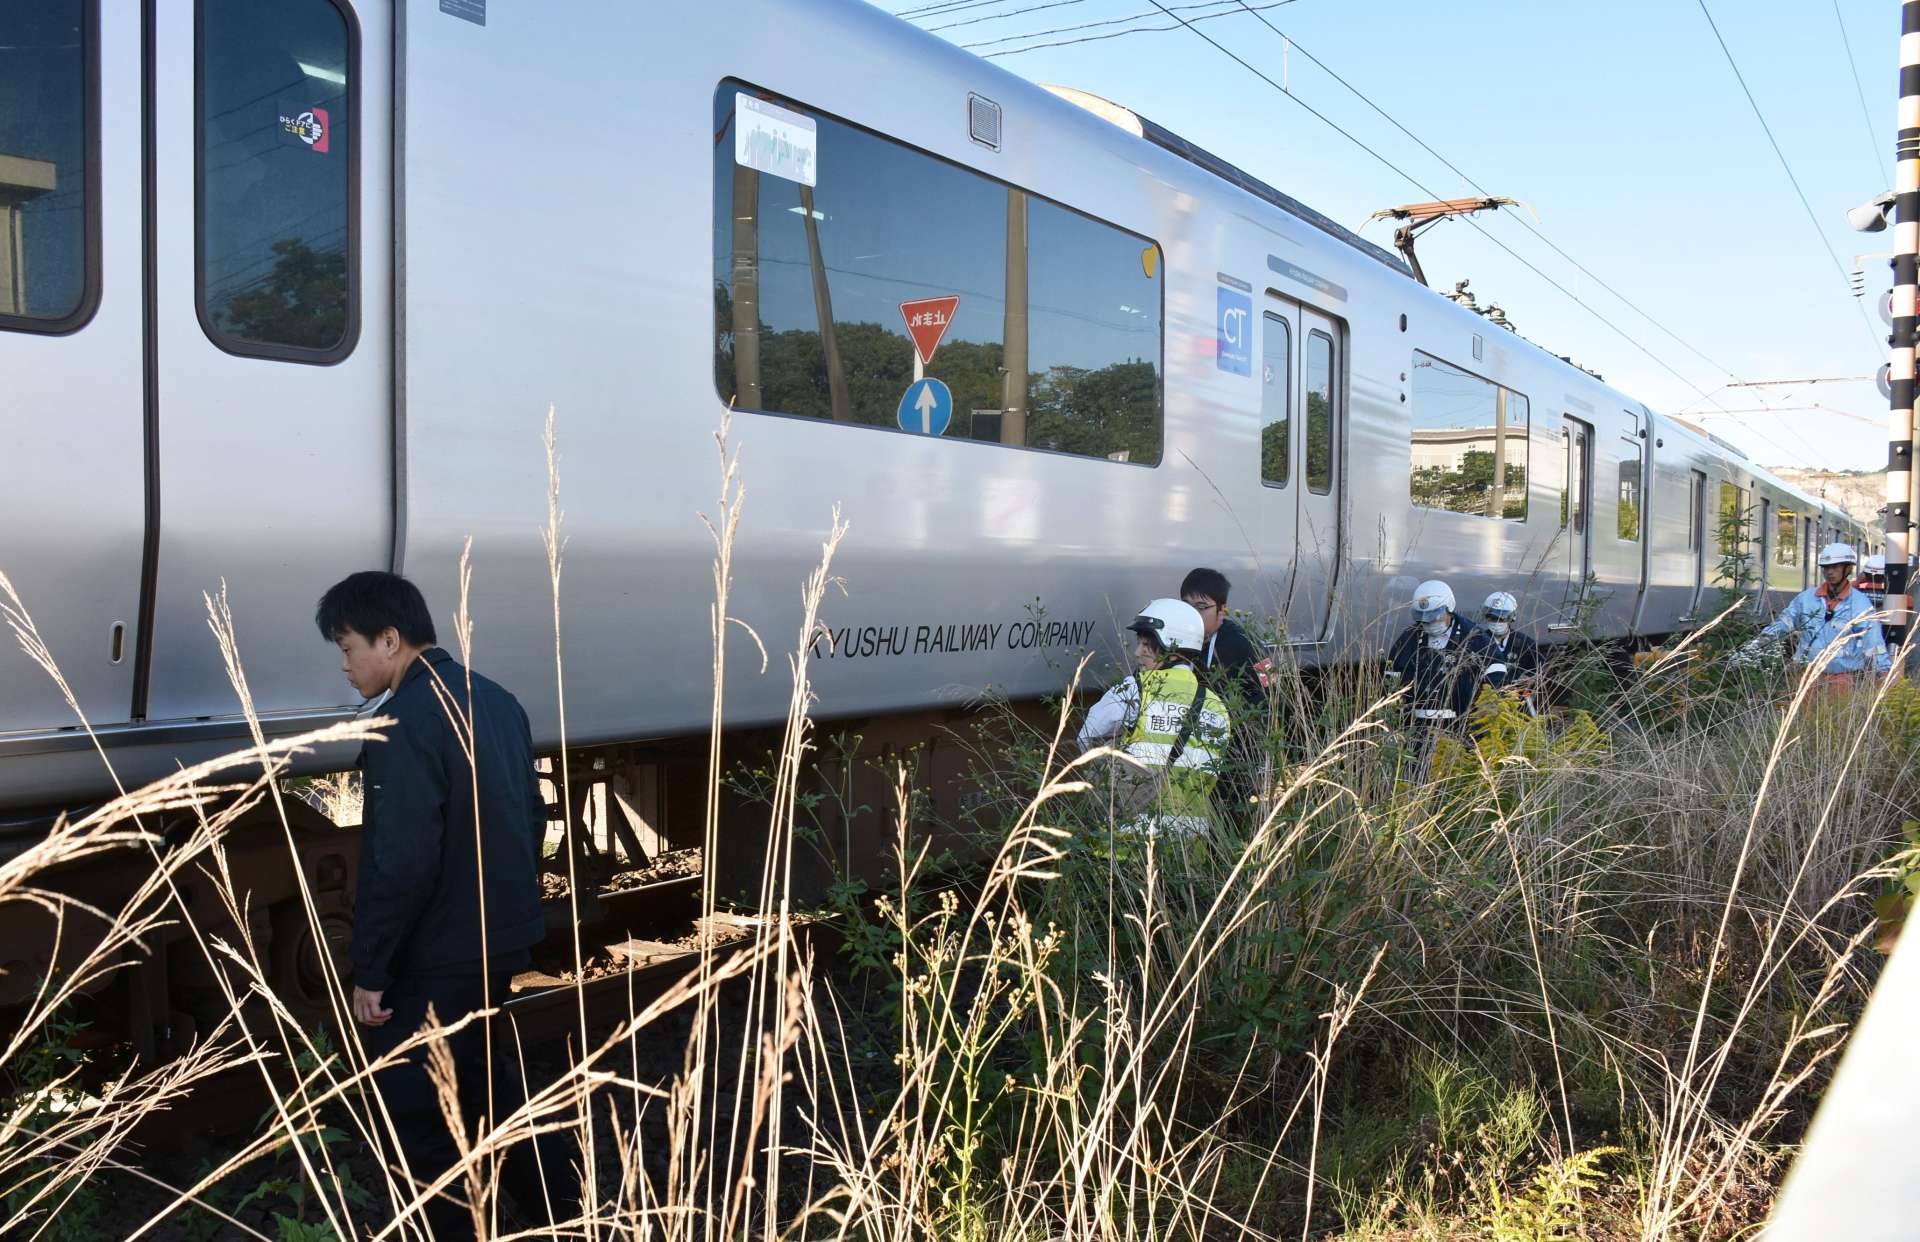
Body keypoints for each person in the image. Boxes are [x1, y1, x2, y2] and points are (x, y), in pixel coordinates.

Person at [315, 571, 574, 1237]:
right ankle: (564, 1215)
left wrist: (372, 969)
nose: (344, 665)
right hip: (498, 940)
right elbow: (533, 816)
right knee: (488, 1089)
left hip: (434, 957)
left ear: (389, 639)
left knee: (421, 1121)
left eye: (347, 648)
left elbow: (399, 862)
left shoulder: (404, 723)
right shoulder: (497, 701)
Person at [1077, 598, 1232, 838]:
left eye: (1147, 645)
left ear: (1173, 649)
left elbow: (1087, 736)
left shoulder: (1136, 689)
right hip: (1190, 838)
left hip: (1130, 836)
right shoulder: (1216, 707)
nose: (1137, 653)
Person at [1180, 567, 1267, 822]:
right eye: (1186, 606)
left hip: (1234, 753)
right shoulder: (1176, 640)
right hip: (1189, 751)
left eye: (1201, 607)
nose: (1193, 615)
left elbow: (1269, 695)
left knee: (1227, 817)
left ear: (1222, 611)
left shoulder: (1243, 642)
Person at [1743, 543, 1891, 690]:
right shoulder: (1806, 599)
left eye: (1835, 567)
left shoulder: (1860, 603)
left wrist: (1883, 672)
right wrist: (1763, 639)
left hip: (1842, 680)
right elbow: (1785, 622)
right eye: (1825, 567)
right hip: (1805, 676)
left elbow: (1873, 641)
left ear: (1848, 568)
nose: (1829, 572)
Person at [1385, 579, 1481, 728]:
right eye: (1423, 618)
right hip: (1415, 724)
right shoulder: (1409, 638)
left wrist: (1481, 709)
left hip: (1459, 723)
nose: (1429, 623)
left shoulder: (1472, 635)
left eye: (1435, 616)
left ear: (1449, 609)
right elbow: (1391, 677)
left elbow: (1494, 671)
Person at [1474, 590, 1541, 708]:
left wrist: (1529, 678)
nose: (1497, 622)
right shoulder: (1478, 642)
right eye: (1492, 617)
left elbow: (1540, 667)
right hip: (1485, 702)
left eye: (1502, 618)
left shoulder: (1526, 643)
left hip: (1517, 702)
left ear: (1511, 617)